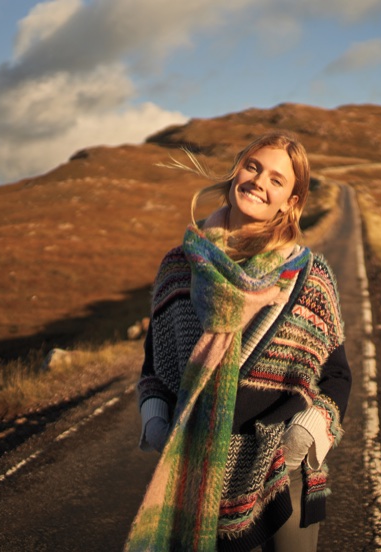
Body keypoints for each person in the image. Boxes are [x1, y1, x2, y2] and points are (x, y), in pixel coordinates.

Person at [125, 131, 352, 551]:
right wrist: (156, 423)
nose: (259, 182)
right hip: (196, 475)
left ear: (291, 202)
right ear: (235, 174)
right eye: (253, 167)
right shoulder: (179, 268)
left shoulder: (307, 277)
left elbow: (336, 376)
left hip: (284, 470)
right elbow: (154, 370)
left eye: (277, 180)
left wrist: (305, 434)